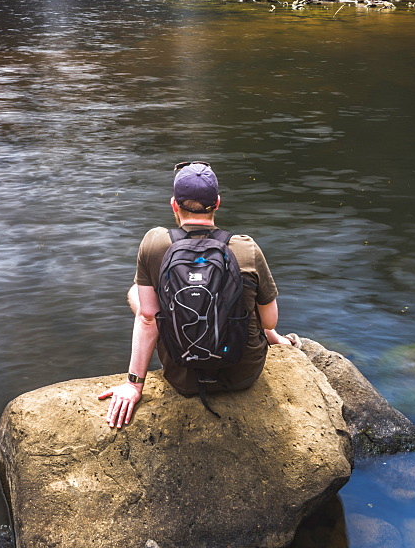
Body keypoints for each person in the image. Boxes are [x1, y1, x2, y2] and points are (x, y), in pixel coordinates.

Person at [99, 161, 299, 429]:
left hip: (183, 376)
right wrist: (270, 332)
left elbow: (148, 318)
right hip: (241, 374)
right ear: (217, 203)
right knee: (243, 293)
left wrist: (133, 385)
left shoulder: (155, 242)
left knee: (138, 292)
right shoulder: (245, 247)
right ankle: (274, 341)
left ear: (174, 204)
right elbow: (269, 320)